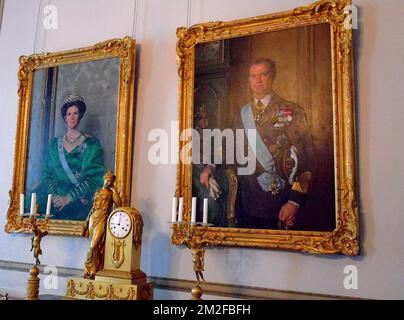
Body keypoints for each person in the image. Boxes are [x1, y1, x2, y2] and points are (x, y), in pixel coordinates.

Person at [200, 58, 314, 229]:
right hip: (245, 200)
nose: (258, 80)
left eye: (263, 74)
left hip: (279, 199)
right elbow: (227, 145)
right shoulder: (241, 114)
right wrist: (210, 167)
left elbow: (307, 158)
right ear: (249, 79)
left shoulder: (291, 110)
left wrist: (294, 201)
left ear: (273, 76)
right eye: (253, 76)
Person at [39, 93, 105, 221]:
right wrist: (54, 196)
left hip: (79, 203)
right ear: (65, 117)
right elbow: (47, 174)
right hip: (55, 204)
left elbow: (94, 179)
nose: (72, 117)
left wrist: (68, 198)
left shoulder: (91, 145)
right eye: (69, 114)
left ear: (80, 115)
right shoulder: (54, 145)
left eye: (76, 113)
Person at [83, 171, 122, 279]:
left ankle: (91, 268)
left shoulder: (111, 193)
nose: (108, 182)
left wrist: (114, 190)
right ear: (104, 179)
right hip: (93, 217)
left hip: (103, 217)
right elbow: (93, 207)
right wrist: (86, 221)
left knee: (94, 245)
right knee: (93, 243)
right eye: (107, 180)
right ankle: (91, 270)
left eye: (111, 181)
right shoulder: (98, 191)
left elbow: (119, 205)